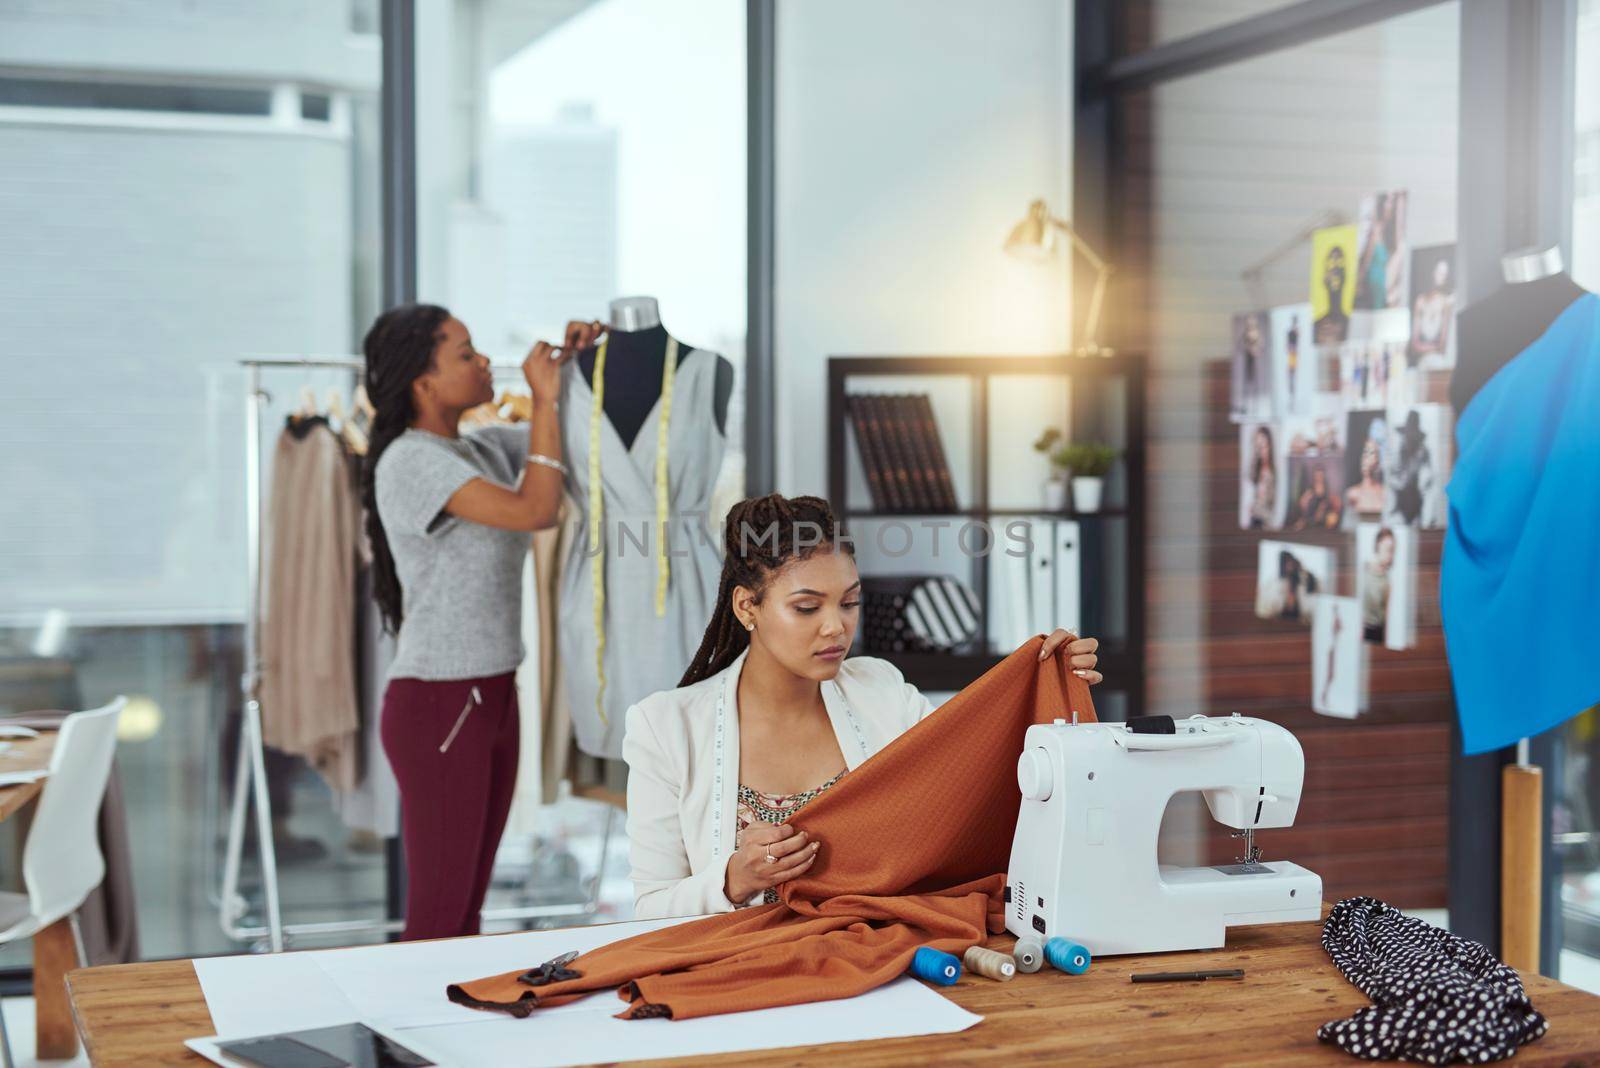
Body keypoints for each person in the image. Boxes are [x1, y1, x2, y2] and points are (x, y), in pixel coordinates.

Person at [620, 494, 1102, 919]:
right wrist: (733, 881)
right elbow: (649, 907)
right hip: (734, 981)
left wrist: (1050, 682)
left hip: (876, 968)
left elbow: (977, 774)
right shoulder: (664, 727)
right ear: (747, 607)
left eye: (849, 603)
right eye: (808, 608)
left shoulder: (882, 691)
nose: (836, 627)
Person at [362, 303, 603, 940]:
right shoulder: (410, 462)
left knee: (467, 911)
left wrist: (575, 368)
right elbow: (537, 508)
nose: (482, 362)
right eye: (464, 353)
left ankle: (448, 1038)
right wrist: (542, 398)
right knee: (441, 917)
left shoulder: (484, 446)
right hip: (441, 704)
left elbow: (575, 442)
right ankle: (404, 1040)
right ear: (424, 383)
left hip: (493, 693)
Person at [1409, 255, 1455, 366]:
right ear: (1432, 272)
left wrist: (1426, 347)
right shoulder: (1420, 301)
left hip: (1439, 362)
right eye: (1440, 272)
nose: (1442, 277)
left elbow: (1442, 346)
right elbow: (1414, 345)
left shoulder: (1446, 303)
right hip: (1421, 363)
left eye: (1445, 274)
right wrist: (1432, 347)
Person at [1362, 527, 1396, 644]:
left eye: (1392, 550)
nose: (1390, 555)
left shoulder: (1387, 582)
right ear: (1378, 546)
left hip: (1376, 636)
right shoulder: (1364, 571)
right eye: (1388, 549)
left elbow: (1386, 620)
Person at [1315, 243, 1350, 344]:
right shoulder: (1319, 324)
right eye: (1332, 261)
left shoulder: (1346, 322)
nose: (1335, 270)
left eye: (1338, 262)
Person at [1345, 432, 1386, 518]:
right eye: (1365, 452)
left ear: (1378, 460)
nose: (1366, 457)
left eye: (1372, 453)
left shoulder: (1384, 493)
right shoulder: (1352, 493)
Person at [1247, 425, 1277, 529]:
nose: (1262, 451)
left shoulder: (1275, 471)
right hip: (1255, 519)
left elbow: (1272, 504)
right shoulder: (1257, 469)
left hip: (1267, 521)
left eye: (1265, 446)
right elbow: (1250, 479)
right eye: (1259, 447)